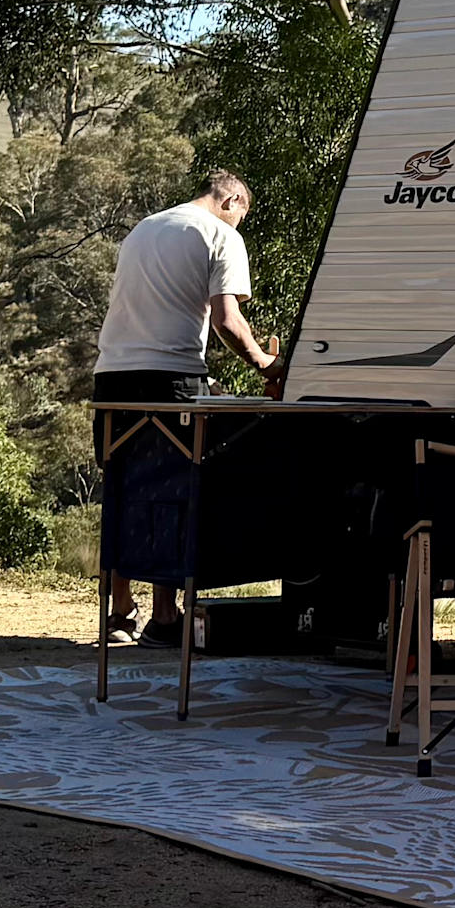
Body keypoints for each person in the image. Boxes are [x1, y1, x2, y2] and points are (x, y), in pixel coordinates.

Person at [91, 169, 281, 644]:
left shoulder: (144, 228)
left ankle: (119, 614)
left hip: (112, 374)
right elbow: (227, 319)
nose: (239, 226)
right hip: (170, 375)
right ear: (232, 201)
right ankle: (164, 618)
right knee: (172, 490)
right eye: (241, 216)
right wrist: (266, 364)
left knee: (121, 487)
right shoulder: (221, 235)